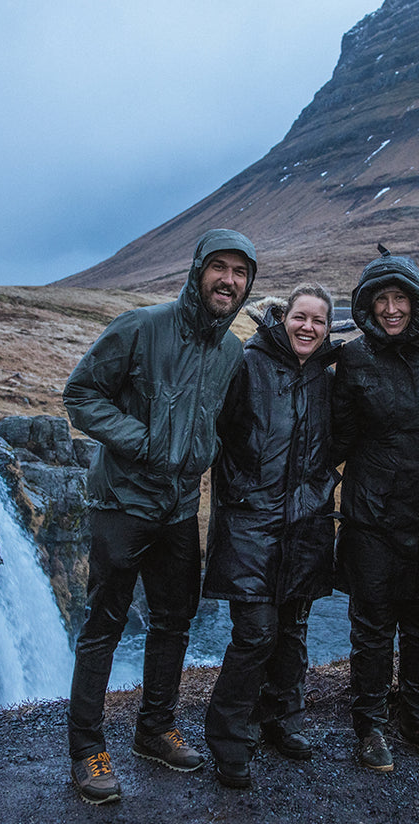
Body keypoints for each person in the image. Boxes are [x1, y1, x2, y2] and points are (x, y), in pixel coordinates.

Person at [61, 228, 257, 805]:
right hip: (122, 504)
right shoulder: (141, 327)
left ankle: (153, 729)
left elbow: (228, 426)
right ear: (198, 271)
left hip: (179, 511)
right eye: (218, 267)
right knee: (104, 627)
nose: (228, 280)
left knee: (174, 621)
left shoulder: (231, 351)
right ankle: (86, 750)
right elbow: (80, 395)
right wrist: (142, 442)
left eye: (240, 273)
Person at [202, 283, 341, 789]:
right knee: (255, 634)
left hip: (306, 527)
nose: (308, 328)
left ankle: (279, 720)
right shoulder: (247, 363)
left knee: (291, 633)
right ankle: (228, 737)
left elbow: (338, 443)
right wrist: (243, 492)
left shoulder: (327, 378)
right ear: (282, 318)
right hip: (249, 526)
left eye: (319, 322)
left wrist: (321, 489)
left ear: (328, 329)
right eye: (300, 317)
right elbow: (215, 433)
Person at [331, 244, 419, 772]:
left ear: (418, 303)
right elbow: (335, 436)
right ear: (366, 304)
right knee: (370, 626)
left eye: (400, 298)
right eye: (380, 299)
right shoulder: (354, 358)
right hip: (370, 518)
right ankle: (370, 727)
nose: (390, 309)